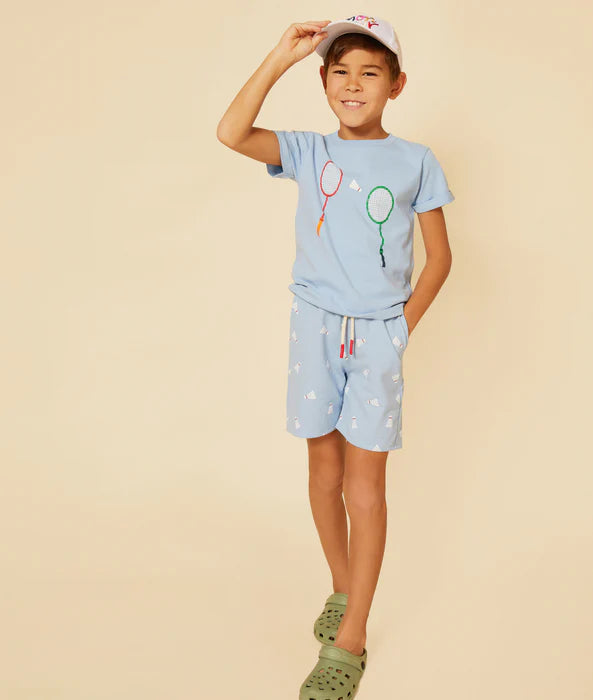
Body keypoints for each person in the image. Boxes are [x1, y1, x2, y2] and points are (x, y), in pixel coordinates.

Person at [217, 14, 454, 699]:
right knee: (322, 471)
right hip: (314, 330)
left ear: (396, 85)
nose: (353, 85)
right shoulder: (307, 150)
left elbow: (440, 258)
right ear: (323, 81)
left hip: (377, 334)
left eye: (370, 73)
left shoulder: (416, 161)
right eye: (340, 72)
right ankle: (343, 588)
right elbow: (231, 132)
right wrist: (279, 57)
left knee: (364, 487)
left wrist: (399, 329)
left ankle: (352, 636)